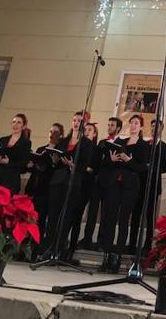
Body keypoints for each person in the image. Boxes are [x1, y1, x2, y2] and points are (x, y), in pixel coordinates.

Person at [98, 115, 147, 273]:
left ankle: (117, 258)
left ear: (141, 127)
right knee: (109, 219)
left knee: (123, 220)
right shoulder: (120, 142)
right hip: (114, 183)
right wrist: (112, 159)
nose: (133, 125)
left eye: (136, 123)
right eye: (131, 123)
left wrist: (128, 160)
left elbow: (142, 169)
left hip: (130, 186)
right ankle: (106, 256)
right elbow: (106, 163)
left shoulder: (143, 145)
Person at [41, 111, 93, 260]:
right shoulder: (63, 141)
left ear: (84, 124)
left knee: (65, 216)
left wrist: (73, 165)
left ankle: (58, 249)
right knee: (53, 215)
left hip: (73, 181)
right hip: (57, 180)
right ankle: (48, 249)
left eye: (79, 121)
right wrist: (55, 160)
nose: (76, 123)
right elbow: (55, 161)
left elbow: (85, 165)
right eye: (74, 120)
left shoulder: (87, 143)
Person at [128, 119, 166, 255]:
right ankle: (132, 243)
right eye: (152, 126)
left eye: (156, 127)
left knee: (150, 216)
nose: (153, 129)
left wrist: (155, 167)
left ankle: (148, 244)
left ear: (161, 129)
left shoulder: (165, 147)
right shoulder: (143, 144)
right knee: (136, 215)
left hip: (153, 184)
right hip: (140, 183)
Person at [80, 117, 122, 250]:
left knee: (105, 213)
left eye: (112, 125)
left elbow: (118, 164)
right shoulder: (102, 142)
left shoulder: (122, 144)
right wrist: (108, 160)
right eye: (108, 124)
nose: (109, 127)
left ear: (118, 128)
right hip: (98, 180)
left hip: (111, 182)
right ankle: (87, 239)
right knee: (92, 212)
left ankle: (101, 241)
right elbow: (97, 161)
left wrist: (107, 161)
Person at [25, 122, 64, 250]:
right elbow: (34, 167)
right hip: (36, 187)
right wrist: (30, 166)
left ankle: (37, 248)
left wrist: (53, 163)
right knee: (30, 218)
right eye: (50, 131)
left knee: (42, 220)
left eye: (55, 132)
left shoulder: (59, 152)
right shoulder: (41, 149)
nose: (52, 134)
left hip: (49, 189)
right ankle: (25, 247)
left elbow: (57, 170)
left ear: (61, 135)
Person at [65, 122, 98, 261]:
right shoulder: (79, 145)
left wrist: (80, 167)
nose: (87, 131)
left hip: (85, 186)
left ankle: (71, 249)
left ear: (95, 134)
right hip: (73, 183)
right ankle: (62, 246)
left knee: (77, 217)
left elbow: (93, 168)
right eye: (86, 129)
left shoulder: (95, 149)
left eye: (90, 130)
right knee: (68, 216)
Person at [0, 113, 32, 194]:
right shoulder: (3, 139)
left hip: (11, 179)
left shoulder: (26, 143)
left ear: (24, 126)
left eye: (19, 122)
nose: (15, 124)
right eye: (14, 122)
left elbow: (23, 163)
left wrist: (9, 162)